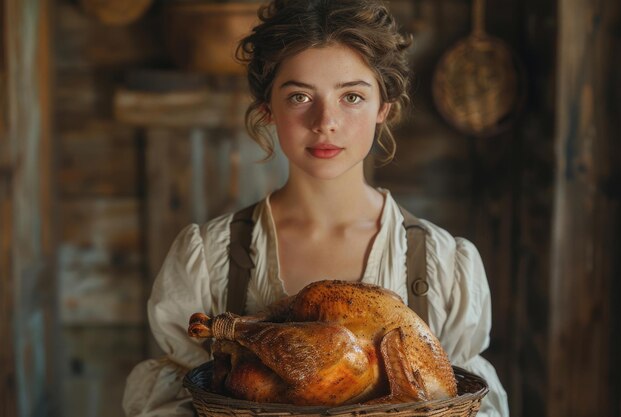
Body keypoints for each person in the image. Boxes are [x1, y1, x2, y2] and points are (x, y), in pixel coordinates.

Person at [122, 0, 509, 416]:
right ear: (267, 107)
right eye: (301, 96)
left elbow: (470, 405)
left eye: (352, 96)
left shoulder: (441, 264)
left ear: (385, 107)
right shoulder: (210, 257)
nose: (326, 121)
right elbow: (172, 400)